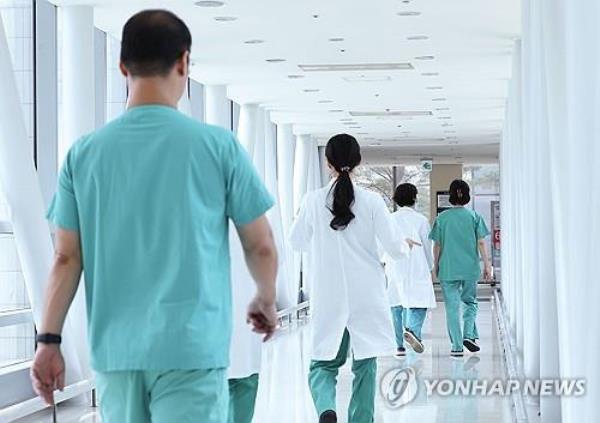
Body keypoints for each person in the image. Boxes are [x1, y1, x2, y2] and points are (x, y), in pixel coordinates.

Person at [30, 10, 278, 423]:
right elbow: (261, 243)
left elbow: (66, 258)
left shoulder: (84, 154)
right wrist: (265, 298)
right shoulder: (218, 146)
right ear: (184, 62)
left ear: (122, 66)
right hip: (191, 348)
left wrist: (48, 340)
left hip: (116, 352)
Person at [289, 134, 416, 423]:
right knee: (365, 366)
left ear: (327, 163)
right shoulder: (372, 201)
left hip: (328, 294)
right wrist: (404, 247)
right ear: (358, 162)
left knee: (322, 365)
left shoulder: (312, 200)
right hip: (366, 295)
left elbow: (295, 242)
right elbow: (395, 249)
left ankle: (326, 410)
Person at [429, 179, 492, 357]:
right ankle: (469, 335)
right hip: (470, 267)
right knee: (470, 302)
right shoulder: (474, 217)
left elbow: (437, 245)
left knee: (452, 306)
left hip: (448, 267)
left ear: (450, 195)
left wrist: (436, 265)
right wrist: (487, 264)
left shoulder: (441, 218)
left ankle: (456, 346)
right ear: (467, 195)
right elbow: (481, 242)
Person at [384, 183, 437, 357]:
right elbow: (427, 246)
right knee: (419, 302)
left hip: (395, 265)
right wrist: (430, 266)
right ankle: (413, 331)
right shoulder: (421, 220)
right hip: (417, 264)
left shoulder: (390, 219)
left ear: (396, 200)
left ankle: (399, 346)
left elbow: (384, 245)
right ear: (414, 198)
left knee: (396, 305)